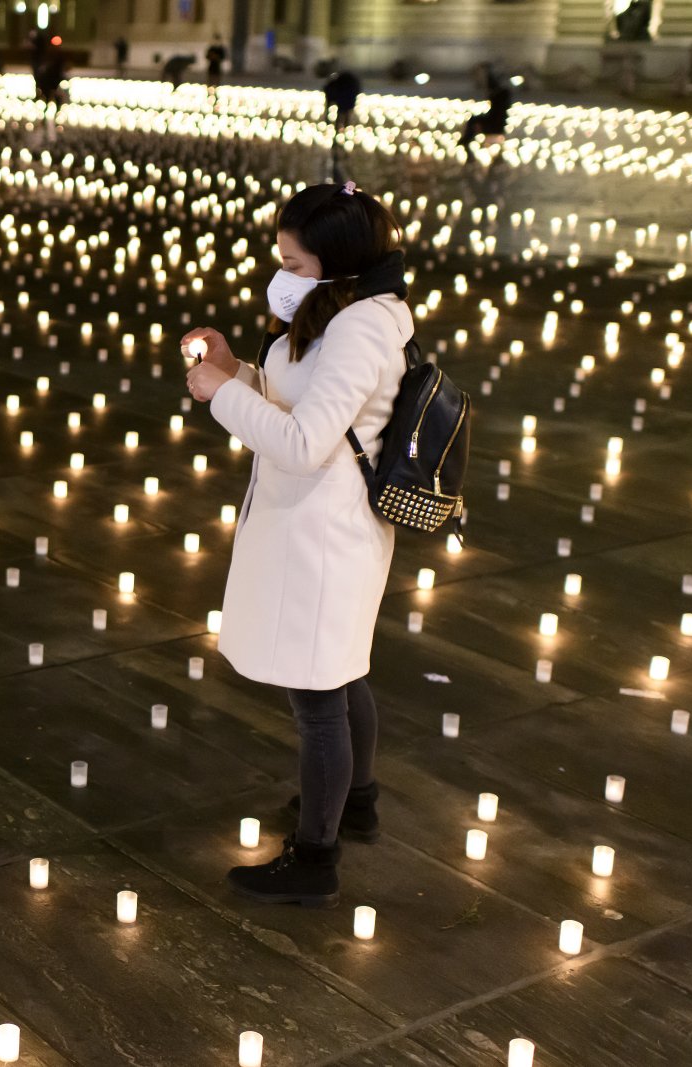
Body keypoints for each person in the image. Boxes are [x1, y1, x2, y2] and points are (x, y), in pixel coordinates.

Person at [182, 181, 412, 908]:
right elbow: (301, 400)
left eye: (293, 262)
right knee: (339, 672)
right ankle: (356, 802)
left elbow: (306, 441)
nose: (281, 274)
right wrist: (238, 370)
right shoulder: (339, 308)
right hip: (309, 520)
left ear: (337, 261)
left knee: (318, 693)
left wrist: (220, 394)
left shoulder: (360, 329)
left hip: (325, 531)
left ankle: (315, 858)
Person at [459, 65, 513, 160]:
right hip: (496, 121)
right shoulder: (502, 94)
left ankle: (465, 141)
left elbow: (497, 112)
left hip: (496, 123)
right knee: (473, 119)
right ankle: (465, 141)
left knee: (473, 120)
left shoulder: (500, 94)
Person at [33, 40, 68, 127]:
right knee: (48, 101)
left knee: (56, 102)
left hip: (54, 85)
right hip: (49, 85)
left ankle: (53, 119)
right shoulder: (48, 57)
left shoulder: (58, 57)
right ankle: (45, 120)